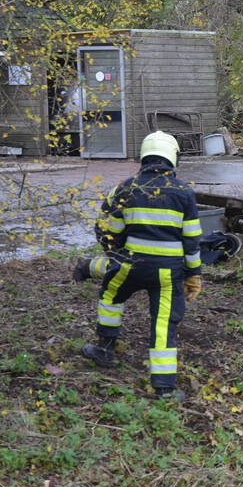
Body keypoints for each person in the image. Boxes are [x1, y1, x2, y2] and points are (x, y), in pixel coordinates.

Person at [79, 131, 203, 401]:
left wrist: (115, 255)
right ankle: (164, 388)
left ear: (144, 156)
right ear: (173, 157)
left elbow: (106, 230)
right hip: (169, 273)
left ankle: (106, 349)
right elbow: (192, 240)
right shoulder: (184, 192)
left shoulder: (124, 188)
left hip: (130, 265)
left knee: (111, 296)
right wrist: (194, 274)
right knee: (163, 325)